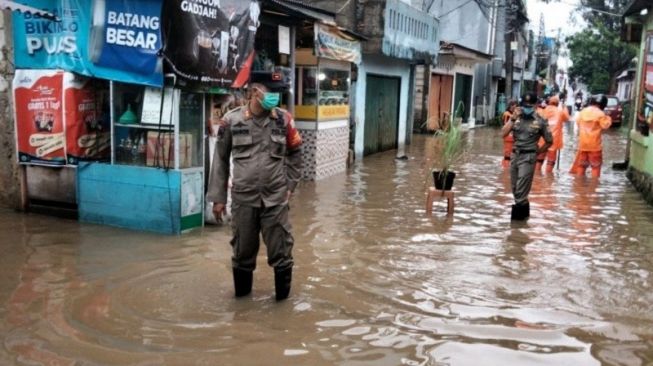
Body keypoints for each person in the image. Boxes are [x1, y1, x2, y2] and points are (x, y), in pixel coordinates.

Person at [207, 83, 303, 300]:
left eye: (275, 94)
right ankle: (242, 312)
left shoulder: (283, 119)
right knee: (242, 253)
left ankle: (282, 315)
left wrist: (290, 186)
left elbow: (296, 153)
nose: (272, 98)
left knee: (282, 252)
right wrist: (218, 198)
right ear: (253, 93)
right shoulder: (231, 121)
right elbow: (220, 160)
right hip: (243, 199)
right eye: (267, 93)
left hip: (275, 199)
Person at [502, 93, 553, 220]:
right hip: (515, 155)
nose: (527, 108)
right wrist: (512, 119)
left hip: (528, 157)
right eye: (525, 105)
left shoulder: (540, 120)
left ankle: (517, 225)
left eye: (530, 106)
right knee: (515, 189)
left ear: (536, 106)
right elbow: (503, 133)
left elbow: (549, 141)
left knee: (520, 191)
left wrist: (537, 152)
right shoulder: (515, 118)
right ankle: (524, 218)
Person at [569, 94, 612, 178]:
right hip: (594, 146)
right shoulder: (601, 114)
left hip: (583, 145)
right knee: (595, 167)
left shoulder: (583, 112)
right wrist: (608, 117)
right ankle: (593, 187)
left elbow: (578, 123)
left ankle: (579, 187)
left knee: (581, 166)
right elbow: (605, 126)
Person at [535, 95, 570, 173]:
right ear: (557, 104)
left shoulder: (542, 110)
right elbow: (567, 118)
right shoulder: (560, 111)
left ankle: (536, 174)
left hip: (542, 139)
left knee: (539, 158)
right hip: (554, 140)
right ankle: (548, 177)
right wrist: (565, 107)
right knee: (551, 160)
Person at [501, 100, 518, 168]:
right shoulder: (507, 114)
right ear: (511, 106)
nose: (516, 107)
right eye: (515, 105)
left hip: (512, 137)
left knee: (511, 155)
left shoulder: (513, 114)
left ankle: (507, 167)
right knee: (507, 156)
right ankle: (506, 169)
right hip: (508, 136)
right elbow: (506, 125)